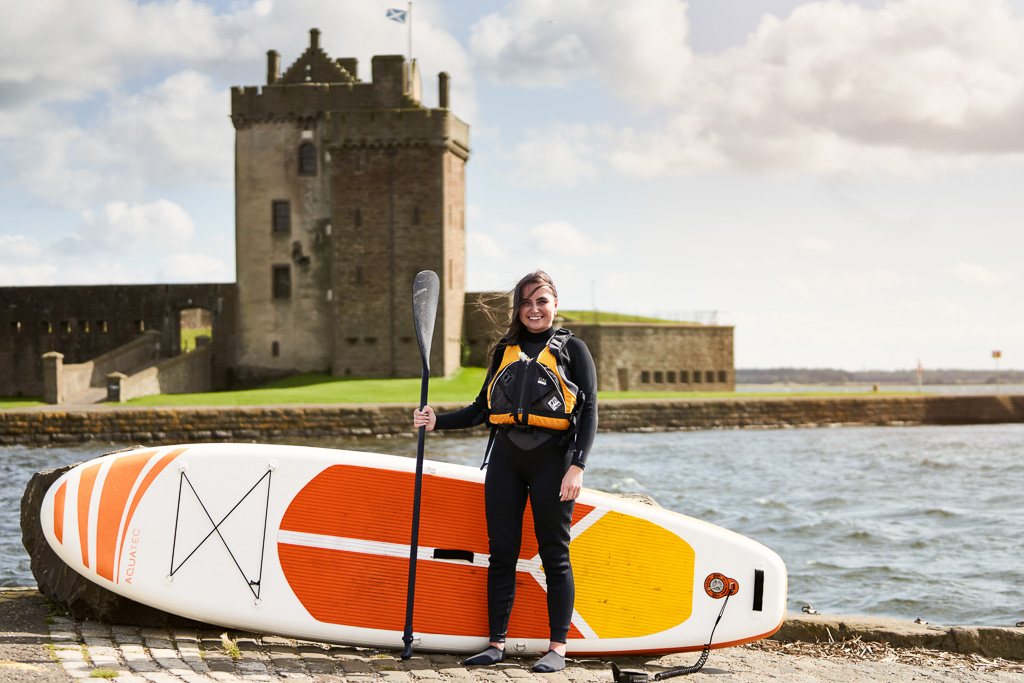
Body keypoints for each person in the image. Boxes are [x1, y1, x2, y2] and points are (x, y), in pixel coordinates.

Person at [413, 270, 598, 673]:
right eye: (527, 302)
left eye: (542, 301)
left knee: (555, 555)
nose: (534, 309)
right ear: (518, 309)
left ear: (554, 305)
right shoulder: (504, 350)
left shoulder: (574, 349)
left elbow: (589, 412)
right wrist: (436, 421)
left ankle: (557, 648)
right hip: (505, 460)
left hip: (554, 461)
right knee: (502, 553)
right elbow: (482, 409)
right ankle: (496, 643)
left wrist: (577, 466)